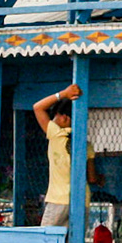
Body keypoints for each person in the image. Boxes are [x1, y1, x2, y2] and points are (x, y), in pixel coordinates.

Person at [33, 83, 82, 228]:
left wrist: (63, 94)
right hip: (80, 200)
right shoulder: (83, 142)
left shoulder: (57, 134)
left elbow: (38, 107)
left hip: (58, 200)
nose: (52, 120)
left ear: (64, 118)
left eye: (55, 116)